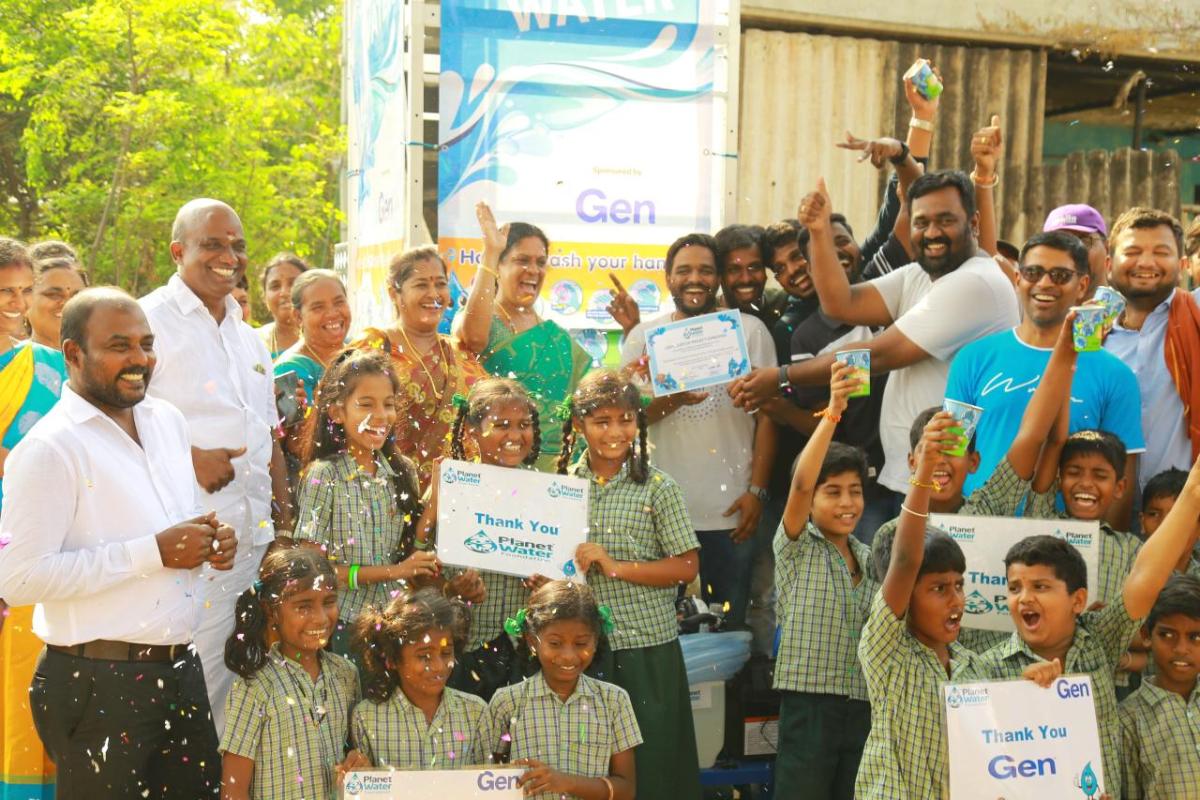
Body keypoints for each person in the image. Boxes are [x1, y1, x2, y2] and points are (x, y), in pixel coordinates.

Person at [0, 287, 237, 799]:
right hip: (95, 683)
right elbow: (18, 578)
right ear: (73, 354)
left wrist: (209, 538)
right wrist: (154, 552)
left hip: (180, 669)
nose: (139, 360)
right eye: (119, 345)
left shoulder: (167, 421)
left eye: (146, 343)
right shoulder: (48, 448)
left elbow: (168, 522)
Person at [731, 170, 1020, 523]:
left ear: (973, 222)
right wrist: (819, 233)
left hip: (950, 487)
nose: (931, 232)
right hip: (910, 476)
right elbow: (841, 304)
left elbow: (876, 356)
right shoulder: (921, 275)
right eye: (922, 221)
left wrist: (781, 377)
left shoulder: (975, 283)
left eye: (945, 220)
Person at [139, 198, 293, 733]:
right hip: (188, 542)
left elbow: (268, 435)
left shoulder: (248, 334)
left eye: (237, 246)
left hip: (252, 541)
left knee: (239, 683)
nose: (229, 256)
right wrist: (187, 459)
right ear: (179, 250)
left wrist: (285, 523)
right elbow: (109, 421)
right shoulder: (146, 321)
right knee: (189, 681)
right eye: (213, 244)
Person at [979, 454, 1200, 799]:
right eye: (1014, 588)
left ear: (1078, 600)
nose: (1023, 599)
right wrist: (1018, 696)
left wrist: (1192, 496)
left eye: (1040, 587)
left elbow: (1145, 576)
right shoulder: (983, 669)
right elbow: (977, 769)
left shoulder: (1098, 640)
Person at [620, 233, 777, 628]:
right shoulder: (644, 337)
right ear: (668, 277)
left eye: (706, 271)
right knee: (663, 630)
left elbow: (768, 417)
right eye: (684, 270)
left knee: (730, 631)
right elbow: (626, 421)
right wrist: (675, 397)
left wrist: (756, 491)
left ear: (718, 278)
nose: (695, 279)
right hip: (661, 516)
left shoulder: (751, 330)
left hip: (732, 515)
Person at [558, 369, 702, 800]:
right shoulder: (561, 485)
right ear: (580, 425)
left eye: (625, 419)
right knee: (588, 762)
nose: (615, 432)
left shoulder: (658, 487)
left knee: (653, 763)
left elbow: (686, 566)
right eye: (602, 421)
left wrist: (615, 566)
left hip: (645, 647)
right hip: (581, 649)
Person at [945, 231, 1144, 522]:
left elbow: (1121, 480)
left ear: (1083, 285)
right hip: (980, 528)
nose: (1045, 283)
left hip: (1070, 542)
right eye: (1033, 272)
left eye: (1061, 275)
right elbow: (951, 453)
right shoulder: (973, 358)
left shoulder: (1116, 375)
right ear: (1017, 279)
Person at [772, 362, 878, 800]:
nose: (847, 502)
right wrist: (834, 410)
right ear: (812, 500)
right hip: (809, 702)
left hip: (863, 703)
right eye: (832, 491)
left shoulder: (873, 559)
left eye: (855, 491)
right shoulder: (796, 544)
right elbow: (799, 483)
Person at [292, 349, 438, 656]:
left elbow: (414, 551)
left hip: (397, 622)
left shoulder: (403, 470)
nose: (381, 416)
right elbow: (316, 572)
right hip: (345, 627)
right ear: (337, 413)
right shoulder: (324, 476)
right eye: (365, 405)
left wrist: (435, 499)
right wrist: (395, 571)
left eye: (388, 405)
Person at [0, 239, 71, 799]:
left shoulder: (45, 366)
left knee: (27, 690)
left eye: (24, 291)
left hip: (31, 550)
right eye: (6, 291)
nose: (16, 303)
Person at [455, 203, 591, 472]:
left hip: (551, 472)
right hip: (493, 463)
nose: (533, 270)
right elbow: (472, 339)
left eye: (540, 263)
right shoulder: (484, 320)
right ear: (499, 266)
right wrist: (490, 252)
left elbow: (584, 402)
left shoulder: (557, 339)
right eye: (522, 260)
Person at [430, 378, 544, 700]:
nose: (515, 435)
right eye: (501, 425)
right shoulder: (451, 485)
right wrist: (451, 589)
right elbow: (417, 568)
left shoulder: (546, 495)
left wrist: (551, 584)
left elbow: (562, 569)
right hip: (465, 648)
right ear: (470, 431)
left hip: (527, 648)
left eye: (524, 425)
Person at [220, 547, 363, 800]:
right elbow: (234, 789)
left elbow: (353, 752)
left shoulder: (346, 674)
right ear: (271, 611)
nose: (320, 618)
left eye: (329, 602)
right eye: (303, 606)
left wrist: (357, 763)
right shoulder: (254, 687)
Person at [482, 581, 641, 800]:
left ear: (595, 641)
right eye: (555, 643)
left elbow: (626, 790)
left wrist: (566, 782)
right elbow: (487, 780)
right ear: (532, 641)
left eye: (581, 643)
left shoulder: (614, 701)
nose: (568, 656)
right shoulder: (507, 701)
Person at [352, 245, 485, 487]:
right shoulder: (375, 346)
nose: (434, 294)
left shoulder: (461, 355)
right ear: (394, 293)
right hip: (383, 493)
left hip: (455, 499)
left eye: (440, 284)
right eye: (421, 284)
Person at [1104, 207, 1200, 490]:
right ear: (1109, 264)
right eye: (1133, 252)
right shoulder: (1088, 338)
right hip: (1105, 517)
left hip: (1186, 516)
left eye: (1161, 252)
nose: (1146, 262)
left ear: (1183, 266)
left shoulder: (1194, 315)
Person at [350, 588, 486, 768]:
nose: (439, 666)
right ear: (391, 659)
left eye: (446, 653)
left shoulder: (475, 713)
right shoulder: (367, 717)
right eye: (424, 656)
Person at [1119, 574, 1200, 800]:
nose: (1181, 648)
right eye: (1167, 634)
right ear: (1146, 636)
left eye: (1195, 637)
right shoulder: (1130, 719)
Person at [272, 269, 351, 399]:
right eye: (318, 307)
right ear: (298, 317)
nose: (332, 313)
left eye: (339, 302)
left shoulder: (358, 353)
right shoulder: (290, 369)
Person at [714, 223, 788, 327]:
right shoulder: (707, 315)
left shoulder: (783, 303)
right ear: (719, 275)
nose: (746, 279)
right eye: (734, 270)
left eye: (754, 267)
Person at [27, 246, 87, 350]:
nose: (67, 304)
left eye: (77, 296)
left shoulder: (106, 362)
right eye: (54, 295)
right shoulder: (9, 362)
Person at [1043, 203, 1109, 295]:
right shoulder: (1025, 307)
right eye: (1059, 243)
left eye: (1084, 241)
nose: (1073, 252)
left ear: (1106, 248)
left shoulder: (1128, 307)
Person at [255, 253, 309, 358]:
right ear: (265, 297)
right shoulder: (251, 342)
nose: (284, 292)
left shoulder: (329, 338)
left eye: (293, 283)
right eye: (275, 286)